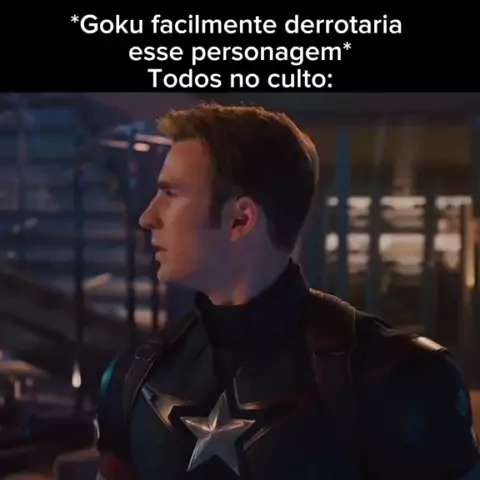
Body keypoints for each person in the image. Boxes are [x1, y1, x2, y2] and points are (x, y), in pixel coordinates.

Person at [95, 104, 480, 480]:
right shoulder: (135, 377)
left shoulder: (399, 378)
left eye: (171, 193)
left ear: (241, 218)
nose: (148, 216)